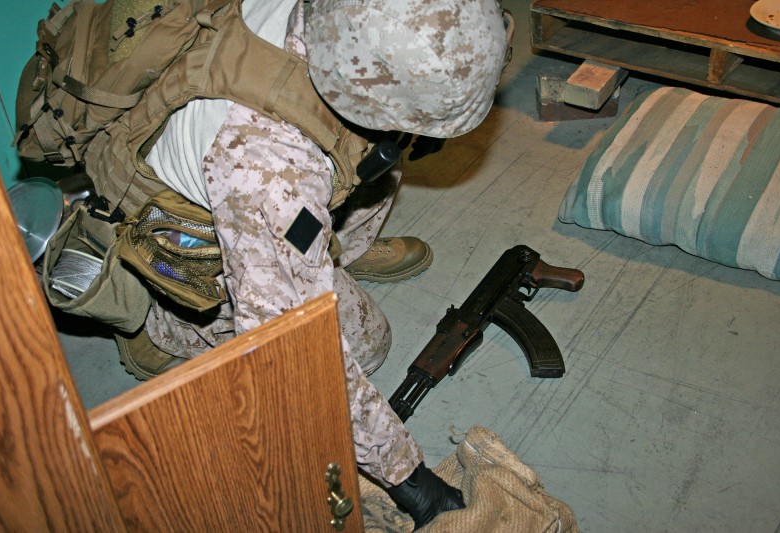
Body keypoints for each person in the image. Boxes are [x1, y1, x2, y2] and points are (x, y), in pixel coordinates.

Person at [130, 0, 511, 527]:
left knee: (389, 142)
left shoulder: (345, 19)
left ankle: (326, 255)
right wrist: (411, 480)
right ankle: (162, 328)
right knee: (367, 343)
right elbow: (292, 354)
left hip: (258, 169)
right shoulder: (269, 171)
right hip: (187, 236)